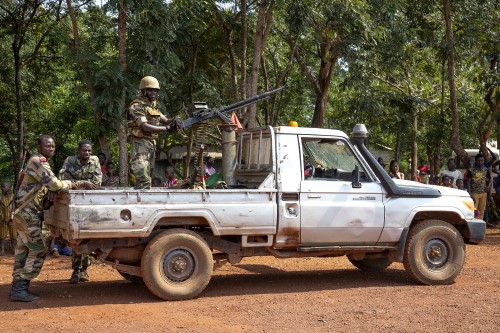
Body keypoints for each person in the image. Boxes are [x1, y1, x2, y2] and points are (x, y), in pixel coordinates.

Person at [10, 135, 75, 302]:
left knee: (23, 250)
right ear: (39, 147)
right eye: (47, 146)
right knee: (39, 248)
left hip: (23, 213)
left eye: (53, 146)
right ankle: (21, 287)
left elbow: (47, 187)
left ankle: (17, 287)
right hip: (27, 214)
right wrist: (73, 184)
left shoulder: (37, 161)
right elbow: (55, 184)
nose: (51, 148)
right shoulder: (38, 161)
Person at [59, 139, 102, 284]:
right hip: (73, 203)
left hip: (89, 204)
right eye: (84, 150)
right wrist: (82, 183)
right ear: (79, 151)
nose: (87, 153)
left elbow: (97, 182)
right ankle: (75, 271)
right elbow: (63, 179)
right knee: (76, 240)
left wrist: (75, 182)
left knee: (87, 238)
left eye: (89, 150)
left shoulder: (95, 161)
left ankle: (84, 270)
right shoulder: (70, 161)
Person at [127, 76, 177, 189]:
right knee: (143, 180)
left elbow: (166, 121)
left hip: (150, 145)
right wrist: (167, 129)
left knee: (148, 179)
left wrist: (178, 121)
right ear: (143, 90)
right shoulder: (137, 106)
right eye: (150, 90)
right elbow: (144, 126)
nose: (153, 92)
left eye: (155, 90)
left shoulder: (152, 106)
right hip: (140, 145)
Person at [466, 153, 492, 220]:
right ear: (475, 161)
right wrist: (470, 193)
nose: (480, 162)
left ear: (483, 161)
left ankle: (480, 225)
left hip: (483, 193)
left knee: (482, 210)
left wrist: (488, 186)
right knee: (474, 210)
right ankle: (474, 225)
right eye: (478, 160)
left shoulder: (485, 169)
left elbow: (490, 178)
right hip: (474, 193)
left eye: (482, 160)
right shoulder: (471, 170)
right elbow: (468, 182)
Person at [0, 181, 16, 255]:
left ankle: (14, 249)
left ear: (9, 187)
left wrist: (13, 215)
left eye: (4, 186)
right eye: (2, 186)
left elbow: (15, 207)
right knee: (2, 235)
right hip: (3, 218)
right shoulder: (0, 197)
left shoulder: (13, 196)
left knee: (13, 235)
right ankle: (2, 250)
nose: (2, 188)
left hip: (12, 219)